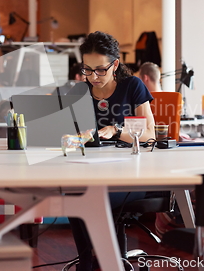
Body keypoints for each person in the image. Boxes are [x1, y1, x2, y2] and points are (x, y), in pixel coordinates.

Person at [69, 31, 155, 271]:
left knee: (88, 198)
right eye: (87, 69)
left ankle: (104, 263)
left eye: (100, 70)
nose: (93, 76)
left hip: (130, 176)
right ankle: (90, 263)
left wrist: (116, 131)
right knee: (78, 193)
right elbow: (67, 139)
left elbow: (150, 135)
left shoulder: (132, 87)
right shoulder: (79, 91)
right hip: (90, 173)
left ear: (115, 64)